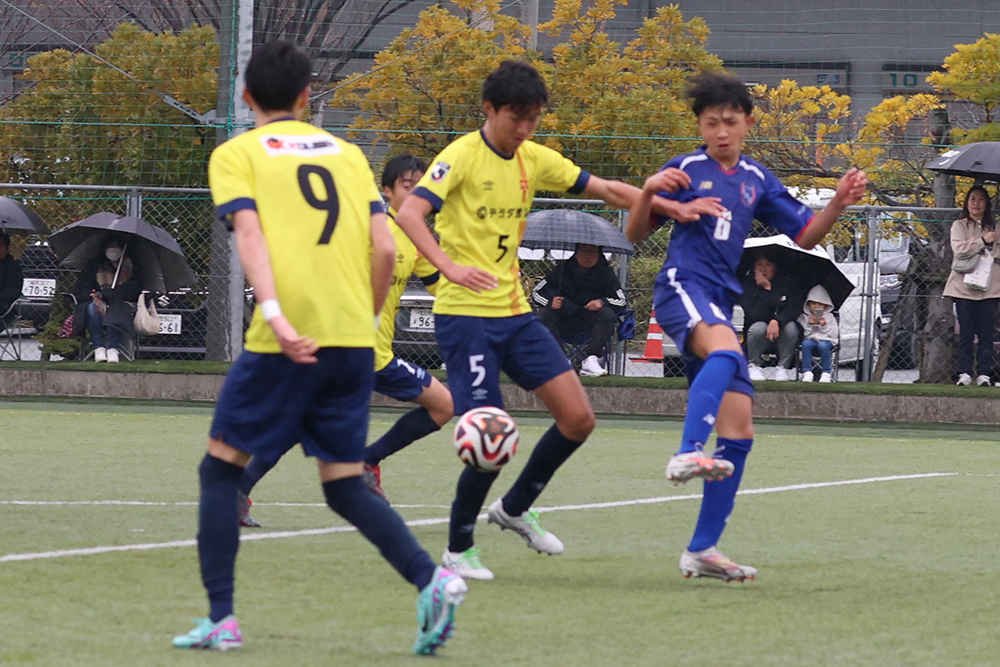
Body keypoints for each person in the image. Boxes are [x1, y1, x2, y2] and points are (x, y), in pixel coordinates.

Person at [172, 41, 466, 656]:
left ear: (245, 96)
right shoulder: (349, 154)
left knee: (219, 470)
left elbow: (249, 235)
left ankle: (222, 619)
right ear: (307, 97)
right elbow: (384, 249)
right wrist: (365, 317)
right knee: (343, 484)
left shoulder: (236, 153)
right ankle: (431, 580)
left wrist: (276, 314)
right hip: (354, 341)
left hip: (287, 339)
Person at [393, 59, 695, 581]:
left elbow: (608, 190)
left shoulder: (534, 157)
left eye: (533, 118)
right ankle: (458, 548)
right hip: (465, 318)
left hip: (514, 315)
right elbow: (409, 214)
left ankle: (513, 508)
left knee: (578, 419)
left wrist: (665, 202)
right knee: (490, 433)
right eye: (517, 117)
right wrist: (448, 266)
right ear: (489, 109)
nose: (525, 128)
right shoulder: (459, 157)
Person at [627, 72, 868, 582]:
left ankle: (702, 549)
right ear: (700, 124)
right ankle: (687, 452)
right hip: (681, 286)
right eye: (711, 122)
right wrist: (648, 191)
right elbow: (635, 231)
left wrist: (837, 203)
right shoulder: (685, 169)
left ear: (748, 123)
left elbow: (807, 235)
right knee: (726, 353)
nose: (721, 131)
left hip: (717, 301)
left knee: (739, 433)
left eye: (730, 122)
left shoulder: (757, 178)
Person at [236, 153, 454, 525]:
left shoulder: (415, 238)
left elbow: (443, 288)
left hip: (376, 354)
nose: (417, 194)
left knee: (442, 406)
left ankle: (365, 461)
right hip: (347, 346)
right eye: (408, 187)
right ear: (387, 192)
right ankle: (241, 487)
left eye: (422, 188)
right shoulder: (369, 229)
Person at [531, 242, 629, 377]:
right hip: (562, 321)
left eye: (592, 252)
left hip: (590, 325)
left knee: (607, 314)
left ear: (599, 255)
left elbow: (622, 301)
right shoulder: (562, 270)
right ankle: (560, 360)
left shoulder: (606, 274)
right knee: (544, 314)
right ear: (576, 253)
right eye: (584, 251)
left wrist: (602, 302)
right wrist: (550, 302)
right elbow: (536, 293)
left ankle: (591, 359)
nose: (588, 256)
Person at [944, 185, 1000, 387]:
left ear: (987, 203)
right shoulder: (959, 225)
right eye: (972, 199)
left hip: (990, 288)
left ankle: (984, 373)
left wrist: (979, 245)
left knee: (987, 333)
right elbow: (959, 250)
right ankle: (964, 373)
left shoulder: (995, 226)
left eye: (981, 199)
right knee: (965, 333)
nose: (976, 204)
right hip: (964, 288)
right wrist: (981, 241)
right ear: (967, 203)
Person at [72, 236, 143, 363]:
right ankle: (98, 347)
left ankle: (113, 348)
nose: (112, 251)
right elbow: (82, 288)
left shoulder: (133, 267)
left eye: (116, 247)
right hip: (99, 301)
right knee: (92, 309)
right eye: (110, 247)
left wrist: (115, 294)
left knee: (116, 311)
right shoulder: (94, 266)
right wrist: (91, 294)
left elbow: (134, 290)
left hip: (122, 304)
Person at [739, 251, 804, 382]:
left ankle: (782, 368)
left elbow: (794, 308)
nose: (763, 269)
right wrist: (766, 288)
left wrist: (776, 321)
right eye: (759, 264)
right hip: (759, 335)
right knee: (758, 327)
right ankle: (754, 365)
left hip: (783, 333)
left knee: (791, 327)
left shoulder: (787, 283)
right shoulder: (747, 285)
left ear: (775, 267)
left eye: (768, 264)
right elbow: (754, 314)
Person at [797, 285, 839, 383]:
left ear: (825, 305)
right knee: (806, 344)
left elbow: (834, 334)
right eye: (814, 303)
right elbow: (803, 334)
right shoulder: (804, 317)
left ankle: (826, 372)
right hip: (810, 339)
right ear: (808, 304)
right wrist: (809, 325)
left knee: (823, 346)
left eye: (820, 304)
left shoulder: (830, 317)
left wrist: (824, 325)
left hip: (827, 340)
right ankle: (807, 371)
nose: (816, 306)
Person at [0, 230, 24, 324]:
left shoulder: (13, 268)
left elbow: (10, 294)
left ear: (7, 249)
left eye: (0, 245)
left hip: (4, 309)